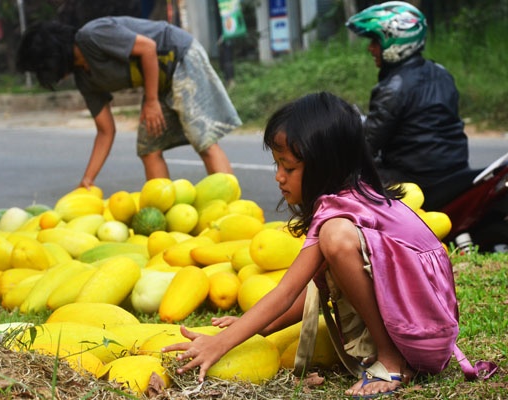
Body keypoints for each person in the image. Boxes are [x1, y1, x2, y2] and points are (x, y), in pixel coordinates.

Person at [162, 92, 458, 398]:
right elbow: (309, 292)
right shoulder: (356, 199)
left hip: (424, 338)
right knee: (335, 241)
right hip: (430, 333)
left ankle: (391, 360)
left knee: (336, 237)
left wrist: (219, 344)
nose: (278, 177)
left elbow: (285, 292)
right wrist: (251, 329)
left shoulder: (338, 215)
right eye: (277, 165)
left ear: (324, 166)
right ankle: (393, 354)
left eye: (288, 168)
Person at [16, 17, 242, 188]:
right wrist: (87, 180)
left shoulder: (92, 35)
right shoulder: (85, 79)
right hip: (160, 79)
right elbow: (105, 131)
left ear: (51, 57)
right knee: (149, 148)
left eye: (40, 69)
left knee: (203, 139)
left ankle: (233, 210)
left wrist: (151, 101)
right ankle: (165, 215)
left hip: (179, 56)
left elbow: (147, 48)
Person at [346, 2, 470, 208]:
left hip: (415, 178)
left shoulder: (394, 87)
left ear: (395, 41)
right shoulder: (442, 73)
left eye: (376, 41)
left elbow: (367, 144)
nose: (371, 48)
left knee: (349, 183)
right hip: (455, 170)